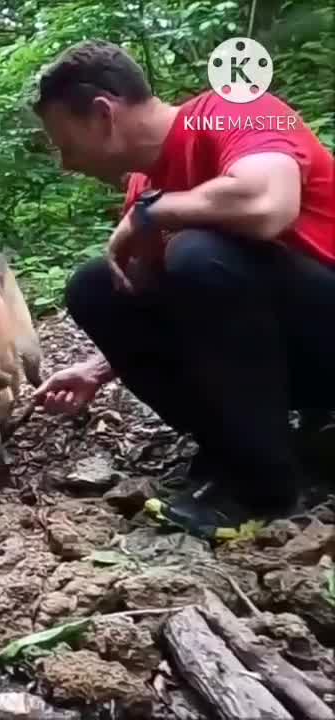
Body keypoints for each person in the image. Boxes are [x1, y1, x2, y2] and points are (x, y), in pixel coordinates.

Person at [25, 40, 335, 535]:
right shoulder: (143, 186)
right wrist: (101, 369)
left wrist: (151, 213)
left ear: (103, 114)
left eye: (67, 145)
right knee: (95, 287)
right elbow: (179, 306)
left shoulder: (233, 110)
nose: (67, 163)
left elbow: (268, 205)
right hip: (279, 352)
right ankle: (236, 447)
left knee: (197, 251)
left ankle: (261, 487)